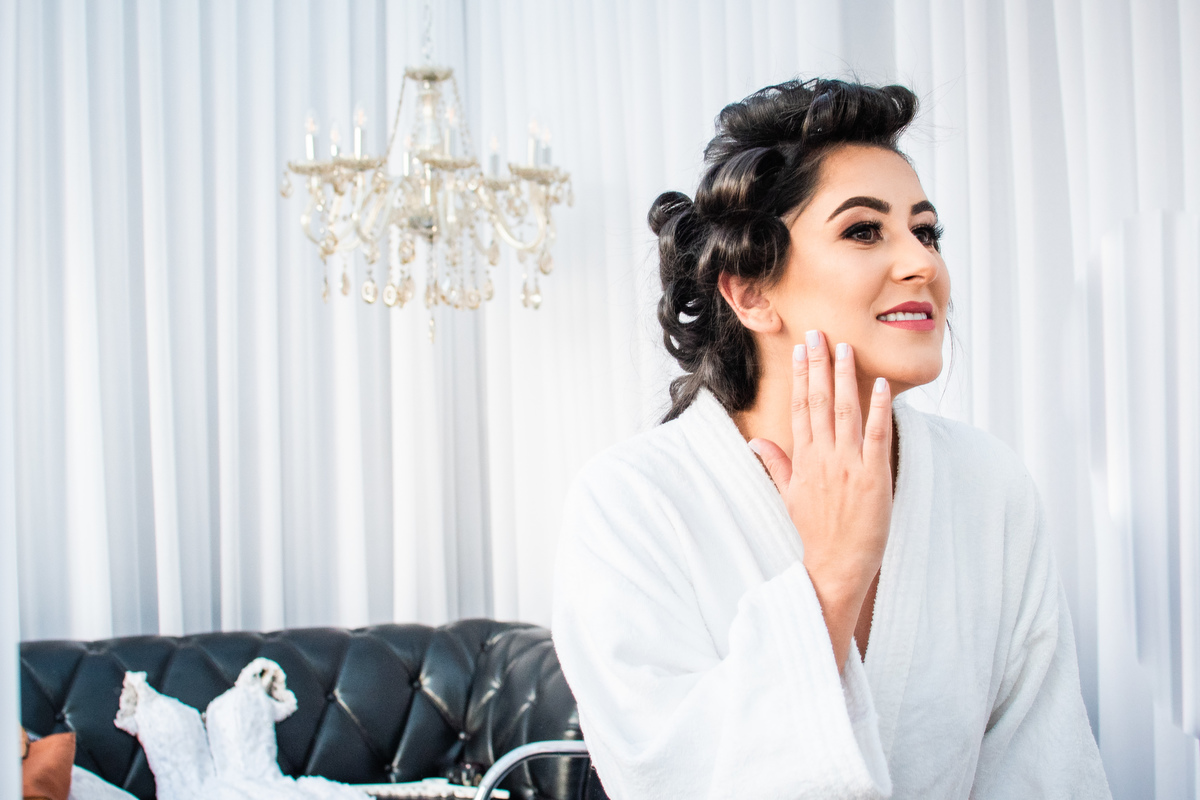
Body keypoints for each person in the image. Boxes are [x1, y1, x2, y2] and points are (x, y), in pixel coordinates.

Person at [551, 78, 1111, 799]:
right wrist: (832, 576)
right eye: (864, 230)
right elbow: (667, 776)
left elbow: (1046, 769)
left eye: (926, 231)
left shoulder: (988, 486)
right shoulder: (631, 503)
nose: (923, 264)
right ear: (750, 291)